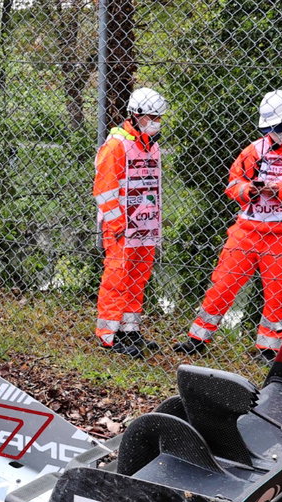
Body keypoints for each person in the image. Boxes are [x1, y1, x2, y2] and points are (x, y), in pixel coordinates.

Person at [176, 90, 282, 361]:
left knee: (277, 292)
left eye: (278, 127)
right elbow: (233, 183)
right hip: (246, 230)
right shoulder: (255, 149)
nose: (274, 133)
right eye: (269, 128)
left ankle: (268, 349)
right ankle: (197, 338)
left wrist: (280, 189)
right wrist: (250, 190)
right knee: (222, 284)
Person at [93, 88, 167, 356]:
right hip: (122, 228)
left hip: (145, 225)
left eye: (159, 116)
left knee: (138, 278)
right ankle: (109, 335)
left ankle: (130, 331)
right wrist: (116, 226)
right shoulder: (116, 146)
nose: (157, 120)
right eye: (152, 116)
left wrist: (153, 222)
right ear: (136, 115)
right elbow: (104, 192)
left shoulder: (153, 146)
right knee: (117, 277)